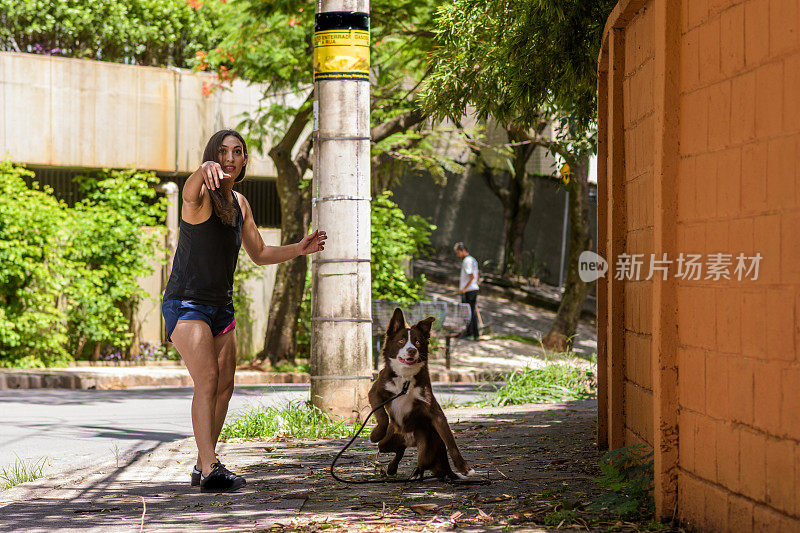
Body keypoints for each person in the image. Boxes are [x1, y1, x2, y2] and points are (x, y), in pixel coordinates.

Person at [161, 129, 326, 492]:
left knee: (225, 386)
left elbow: (260, 253)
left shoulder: (240, 204)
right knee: (206, 381)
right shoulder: (199, 194)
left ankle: (204, 461)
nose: (230, 158)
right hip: (186, 302)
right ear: (212, 157)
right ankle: (210, 468)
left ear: (245, 160)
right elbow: (188, 192)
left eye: (237, 152)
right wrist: (200, 169)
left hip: (221, 306)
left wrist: (300, 248)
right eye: (222, 152)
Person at [454, 242, 480, 341]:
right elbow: (476, 275)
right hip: (473, 289)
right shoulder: (473, 260)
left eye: (458, 253)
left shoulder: (467, 261)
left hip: (469, 290)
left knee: (469, 312)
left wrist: (464, 289)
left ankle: (472, 334)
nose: (457, 255)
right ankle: (472, 333)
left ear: (463, 250)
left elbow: (472, 275)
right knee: (470, 312)